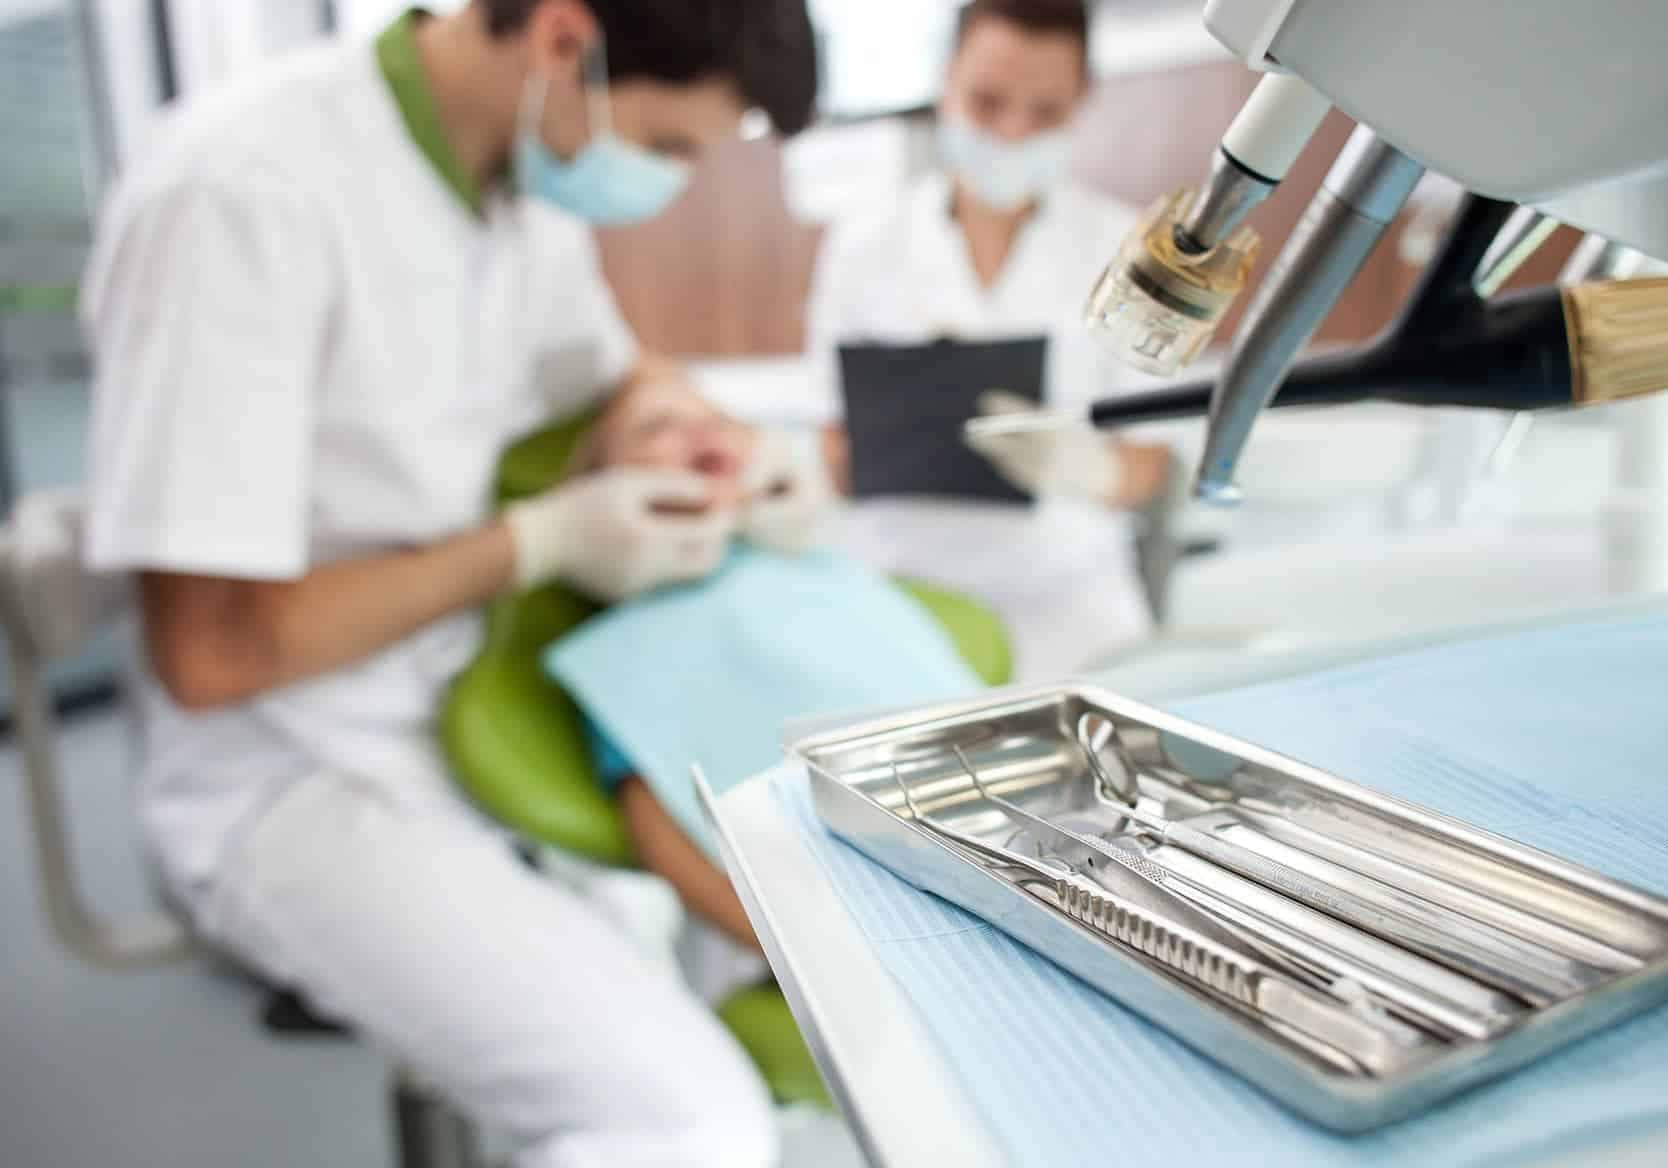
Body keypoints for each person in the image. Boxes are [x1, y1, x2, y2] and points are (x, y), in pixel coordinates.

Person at [81, 2, 821, 1165]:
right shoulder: (241, 191)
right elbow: (211, 653)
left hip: (470, 705)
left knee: (767, 916)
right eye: (668, 149)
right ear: (565, 40)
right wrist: (534, 544)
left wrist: (708, 435)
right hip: (291, 773)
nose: (669, 183)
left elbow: (610, 379)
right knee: (685, 1118)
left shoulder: (517, 178)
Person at [545, 380, 981, 960]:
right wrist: (814, 964)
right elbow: (664, 837)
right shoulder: (630, 646)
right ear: (596, 498)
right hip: (880, 923)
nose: (701, 431)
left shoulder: (823, 570)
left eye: (720, 420)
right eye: (655, 428)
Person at [807, 0, 1172, 681]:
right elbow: (834, 449)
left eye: (1044, 113)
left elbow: (1153, 464)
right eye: (987, 102)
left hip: (1070, 601)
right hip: (897, 590)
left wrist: (1092, 468)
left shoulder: (1128, 251)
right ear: (945, 81)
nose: (1011, 132)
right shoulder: (862, 246)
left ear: (1081, 102)